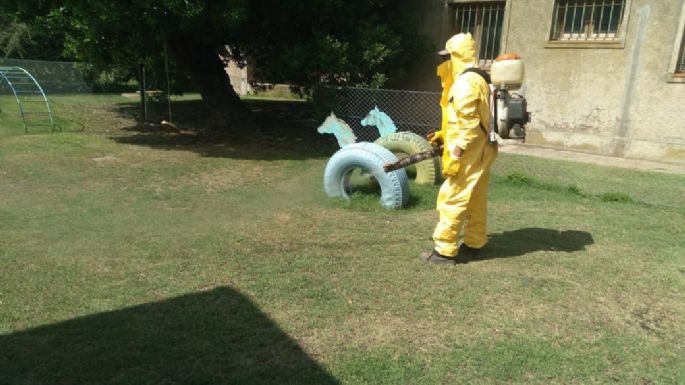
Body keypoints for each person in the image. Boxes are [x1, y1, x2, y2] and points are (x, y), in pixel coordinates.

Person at [419, 33, 498, 265]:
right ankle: (475, 242)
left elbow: (468, 124)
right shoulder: (479, 79)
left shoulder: (464, 83)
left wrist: (455, 154)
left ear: (457, 55)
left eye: (448, 56)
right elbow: (467, 119)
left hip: (468, 152)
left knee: (452, 198)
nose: (444, 61)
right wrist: (443, 135)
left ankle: (444, 251)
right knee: (475, 198)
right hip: (482, 149)